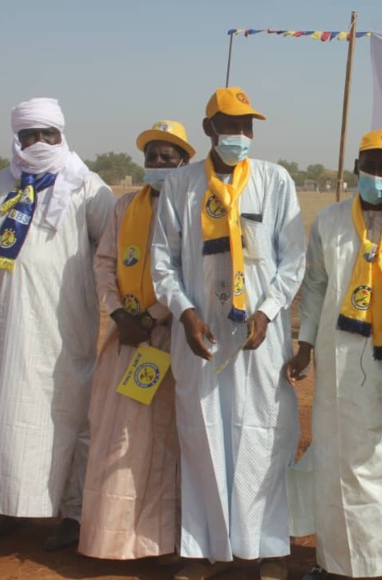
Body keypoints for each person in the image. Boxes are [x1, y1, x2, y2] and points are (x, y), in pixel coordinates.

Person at [152, 87, 306, 580]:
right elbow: (163, 261)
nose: (240, 136)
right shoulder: (180, 185)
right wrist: (184, 312)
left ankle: (267, 548)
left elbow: (292, 259)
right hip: (201, 334)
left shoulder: (274, 180)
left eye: (247, 127)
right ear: (208, 130)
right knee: (202, 436)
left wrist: (267, 310)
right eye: (230, 126)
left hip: (259, 338)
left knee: (264, 436)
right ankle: (203, 551)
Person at [0, 97, 115, 550]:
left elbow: (108, 249)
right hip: (6, 328)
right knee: (5, 415)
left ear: (61, 135)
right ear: (17, 137)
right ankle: (10, 505)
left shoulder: (88, 187)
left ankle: (72, 514)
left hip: (62, 327)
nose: (38, 143)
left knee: (70, 414)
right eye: (29, 135)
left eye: (47, 134)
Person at [285, 129, 382, 579]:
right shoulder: (329, 221)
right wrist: (305, 345)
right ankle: (336, 564)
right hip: (337, 365)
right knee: (335, 461)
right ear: (355, 169)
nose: (376, 175)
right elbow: (314, 286)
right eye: (369, 165)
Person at [79, 120, 195, 561]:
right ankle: (110, 539)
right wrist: (119, 314)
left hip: (167, 338)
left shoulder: (191, 208)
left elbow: (186, 277)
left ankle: (160, 543)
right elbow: (105, 262)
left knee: (161, 442)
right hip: (123, 337)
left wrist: (151, 317)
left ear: (184, 163)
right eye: (152, 157)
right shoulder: (126, 205)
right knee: (115, 436)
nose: (159, 164)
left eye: (168, 158)